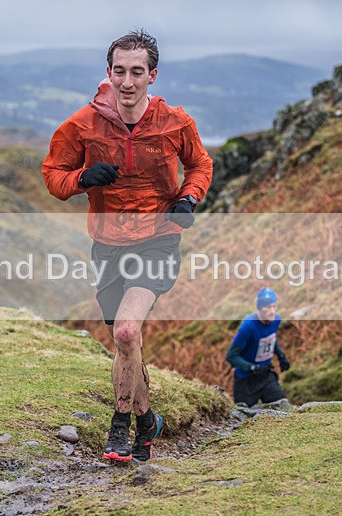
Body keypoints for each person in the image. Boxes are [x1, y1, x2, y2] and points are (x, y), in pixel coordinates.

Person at [42, 30, 213, 462]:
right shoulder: (82, 124)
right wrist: (82, 179)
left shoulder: (176, 122)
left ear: (152, 76)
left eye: (137, 72)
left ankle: (119, 427)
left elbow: (200, 164)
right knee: (126, 343)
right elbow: (53, 175)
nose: (128, 81)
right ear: (109, 73)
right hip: (107, 245)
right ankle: (147, 417)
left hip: (158, 238)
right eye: (120, 71)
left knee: (125, 329)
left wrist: (189, 198)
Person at [226, 288, 291, 407]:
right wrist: (251, 368)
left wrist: (281, 356)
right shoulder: (248, 326)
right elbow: (231, 356)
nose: (272, 311)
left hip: (266, 376)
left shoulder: (276, 320)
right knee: (244, 416)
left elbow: (271, 338)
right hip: (246, 380)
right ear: (260, 309)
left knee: (283, 406)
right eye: (268, 307)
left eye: (274, 306)